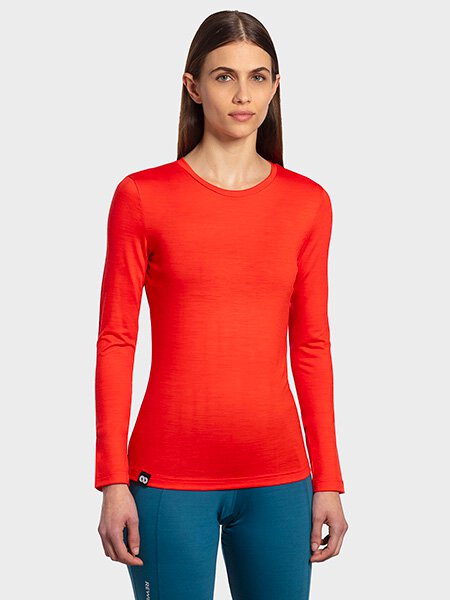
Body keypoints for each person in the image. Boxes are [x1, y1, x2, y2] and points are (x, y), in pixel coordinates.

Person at [95, 9, 348, 600]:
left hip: (281, 478)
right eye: (224, 76)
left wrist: (328, 480)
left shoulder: (308, 203)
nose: (242, 95)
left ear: (275, 87)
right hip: (166, 478)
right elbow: (116, 340)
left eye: (258, 77)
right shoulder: (142, 196)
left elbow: (312, 346)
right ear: (193, 86)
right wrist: (112, 478)